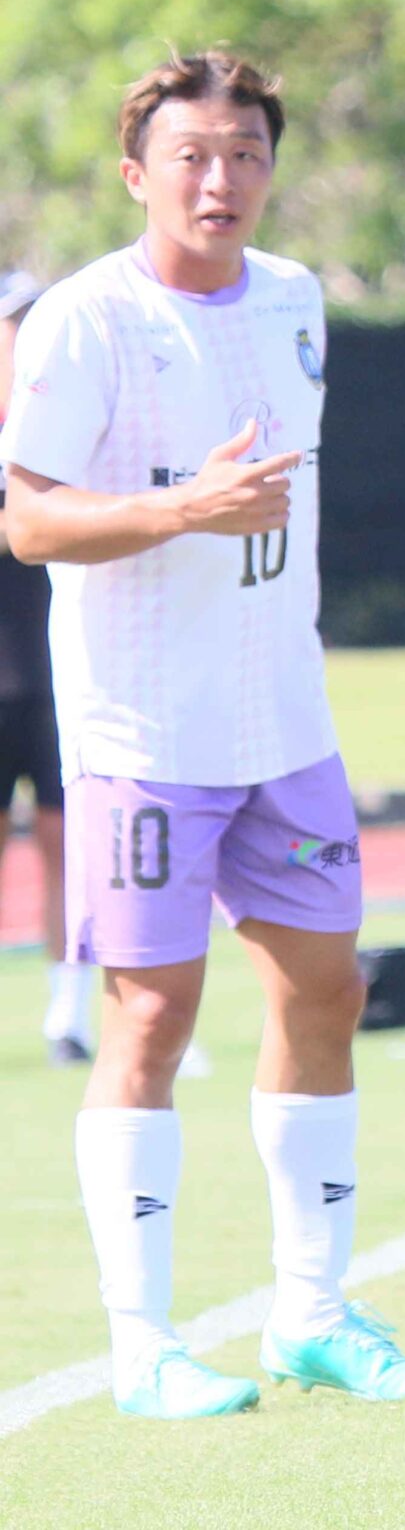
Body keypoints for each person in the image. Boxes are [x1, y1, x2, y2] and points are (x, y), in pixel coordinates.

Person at [1, 52, 405, 1418]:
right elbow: (28, 519)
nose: (221, 180)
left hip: (285, 722)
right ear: (136, 174)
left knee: (328, 990)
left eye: (245, 154)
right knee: (152, 1012)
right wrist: (181, 508)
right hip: (143, 728)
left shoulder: (298, 298)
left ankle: (309, 1313)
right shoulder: (84, 319)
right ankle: (142, 1343)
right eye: (191, 156)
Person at [0, 271, 77, 1064]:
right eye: (11, 325)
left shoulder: (66, 429)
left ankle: (70, 1014)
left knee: (66, 842)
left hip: (59, 677)